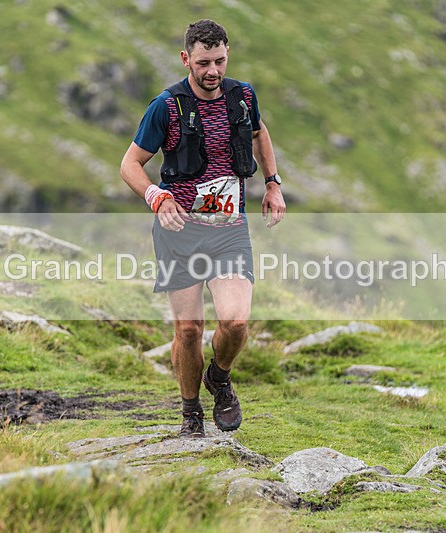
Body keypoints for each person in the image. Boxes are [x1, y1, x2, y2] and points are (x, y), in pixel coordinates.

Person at [120, 19, 286, 438]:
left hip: (229, 228)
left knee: (235, 322)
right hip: (180, 233)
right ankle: (190, 411)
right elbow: (129, 165)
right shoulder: (167, 107)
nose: (213, 71)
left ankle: (220, 377)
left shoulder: (243, 96)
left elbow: (258, 132)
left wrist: (272, 182)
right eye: (203, 63)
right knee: (189, 328)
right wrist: (156, 198)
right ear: (186, 59)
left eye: (220, 61)